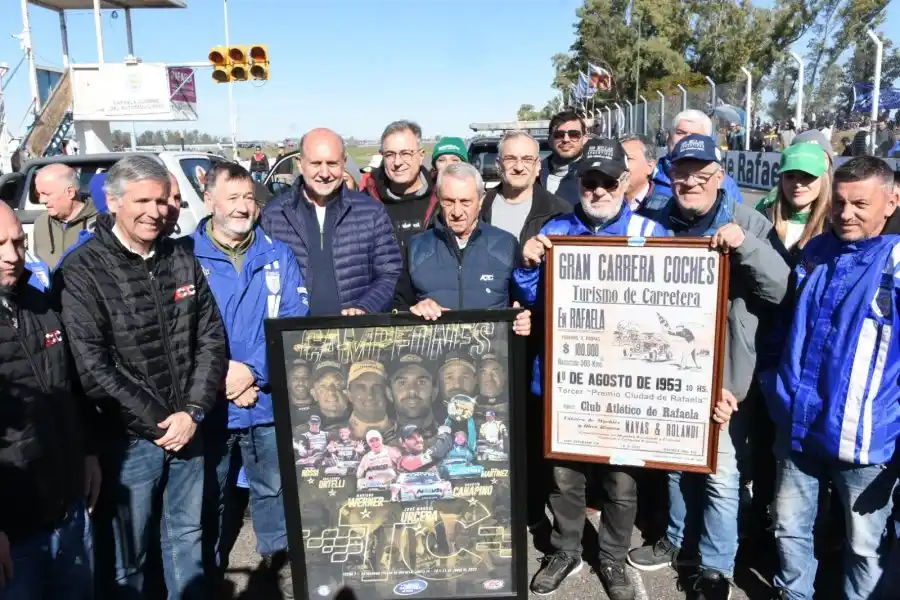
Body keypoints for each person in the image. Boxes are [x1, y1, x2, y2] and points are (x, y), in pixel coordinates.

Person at [55, 154, 227, 599]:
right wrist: (160, 423)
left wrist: (192, 411)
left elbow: (210, 337)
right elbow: (92, 366)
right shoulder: (81, 271)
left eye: (162, 200)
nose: (156, 211)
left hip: (188, 430)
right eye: (142, 201)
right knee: (126, 560)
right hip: (127, 442)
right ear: (113, 203)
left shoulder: (180, 257)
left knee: (186, 539)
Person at [628, 135, 790, 600]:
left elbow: (781, 291)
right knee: (678, 466)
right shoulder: (654, 221)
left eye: (702, 173)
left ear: (720, 178)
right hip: (670, 368)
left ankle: (716, 566)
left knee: (720, 475)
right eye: (683, 172)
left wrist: (746, 247)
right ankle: (678, 538)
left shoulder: (747, 221)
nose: (691, 181)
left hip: (725, 377)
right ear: (669, 173)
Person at [514, 138, 671, 600]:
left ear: (624, 181)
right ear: (579, 182)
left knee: (620, 481)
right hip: (566, 378)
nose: (598, 190)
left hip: (625, 383)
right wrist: (527, 264)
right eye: (590, 181)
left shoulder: (652, 231)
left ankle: (612, 557)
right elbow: (532, 300)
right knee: (565, 476)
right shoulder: (555, 230)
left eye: (607, 181)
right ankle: (565, 549)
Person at [761, 157, 899, 600]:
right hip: (798, 426)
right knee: (790, 528)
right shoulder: (816, 250)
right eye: (839, 202)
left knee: (865, 547)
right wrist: (772, 382)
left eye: (860, 203)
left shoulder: (896, 264)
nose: (846, 214)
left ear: (891, 201)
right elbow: (783, 324)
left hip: (865, 441)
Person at [188, 162, 307, 598]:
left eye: (248, 199)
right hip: (211, 403)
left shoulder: (277, 255)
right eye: (232, 198)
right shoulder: (184, 258)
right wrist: (223, 374)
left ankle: (277, 568)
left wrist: (253, 373)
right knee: (211, 497)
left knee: (274, 488)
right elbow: (179, 334)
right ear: (210, 201)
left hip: (265, 397)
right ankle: (210, 573)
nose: (242, 208)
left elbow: (293, 322)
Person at [0, 202, 99, 599]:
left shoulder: (40, 304)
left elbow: (69, 389)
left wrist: (88, 453)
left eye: (18, 242)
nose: (12, 254)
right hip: (13, 535)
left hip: (68, 513)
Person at [261, 127, 402, 317]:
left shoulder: (371, 212)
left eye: (332, 163)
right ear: (300, 164)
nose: (324, 173)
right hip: (294, 336)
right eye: (316, 163)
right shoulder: (274, 215)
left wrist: (366, 307)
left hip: (353, 335)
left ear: (344, 163)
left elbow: (390, 273)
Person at [392, 162, 532, 335]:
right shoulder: (416, 248)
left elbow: (525, 302)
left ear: (481, 200)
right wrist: (413, 310)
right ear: (439, 199)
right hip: (435, 355)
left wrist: (525, 319)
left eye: (465, 202)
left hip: (492, 356)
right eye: (449, 202)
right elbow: (397, 307)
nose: (457, 212)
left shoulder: (506, 245)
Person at [481, 130, 571, 246]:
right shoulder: (480, 206)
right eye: (511, 159)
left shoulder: (560, 211)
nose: (519, 167)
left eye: (527, 159)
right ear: (498, 165)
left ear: (538, 165)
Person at [361, 121, 440, 249]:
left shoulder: (442, 199)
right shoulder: (365, 202)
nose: (397, 162)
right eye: (390, 154)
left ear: (421, 156)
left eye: (406, 154)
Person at [756, 143, 832, 258]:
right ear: (781, 180)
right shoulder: (762, 219)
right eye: (790, 176)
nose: (797, 184)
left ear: (823, 180)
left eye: (807, 176)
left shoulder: (835, 226)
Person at [652, 110, 743, 204]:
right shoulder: (648, 174)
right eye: (680, 133)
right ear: (668, 138)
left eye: (695, 135)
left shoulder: (725, 184)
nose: (686, 139)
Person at [33, 164, 100, 269]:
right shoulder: (41, 222)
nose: (41, 200)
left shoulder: (102, 222)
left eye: (46, 194)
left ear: (70, 192)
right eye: (38, 194)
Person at [539, 110, 588, 205]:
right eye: (559, 135)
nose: (566, 139)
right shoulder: (535, 173)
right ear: (549, 140)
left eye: (574, 134)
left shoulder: (594, 175)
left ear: (584, 139)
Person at [620, 134, 657, 211]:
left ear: (650, 167)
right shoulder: (605, 202)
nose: (620, 165)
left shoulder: (664, 207)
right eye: (618, 159)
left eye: (628, 159)